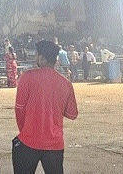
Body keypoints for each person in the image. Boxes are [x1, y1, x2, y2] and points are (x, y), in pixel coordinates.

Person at [13, 40, 78, 174]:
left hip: (29, 140)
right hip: (54, 144)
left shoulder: (27, 77)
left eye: (37, 56)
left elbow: (19, 109)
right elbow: (72, 114)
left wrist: (24, 130)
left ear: (42, 57)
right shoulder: (65, 83)